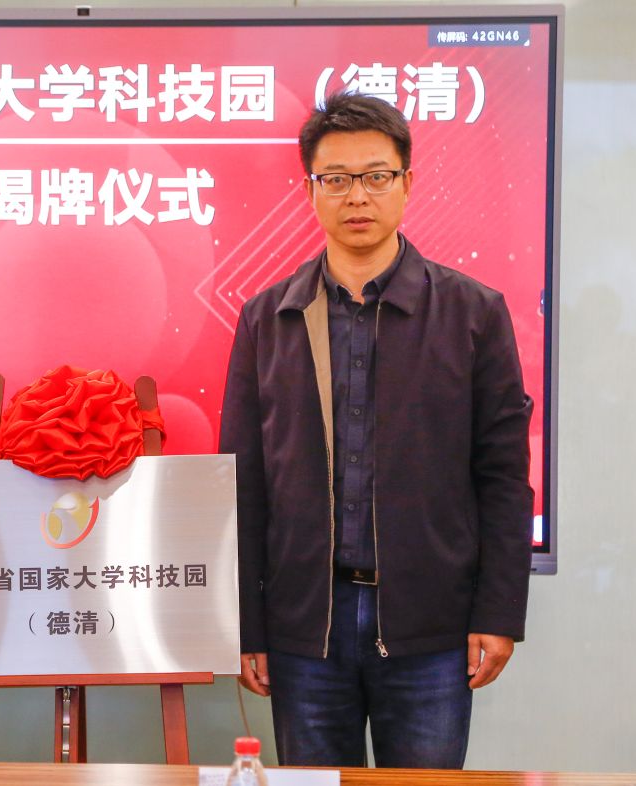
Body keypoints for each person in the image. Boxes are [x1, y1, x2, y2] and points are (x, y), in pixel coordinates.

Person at [218, 92, 534, 769]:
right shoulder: (267, 319)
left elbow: (504, 478)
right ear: (310, 190)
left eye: (376, 176)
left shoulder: (474, 314)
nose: (356, 196)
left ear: (407, 183)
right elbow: (243, 485)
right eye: (335, 179)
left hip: (431, 625)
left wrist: (499, 613)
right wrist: (245, 624)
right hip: (305, 628)